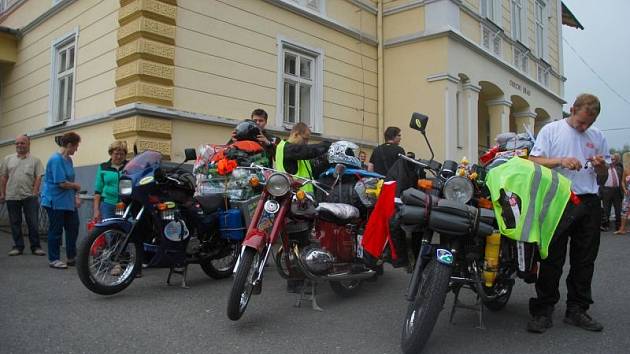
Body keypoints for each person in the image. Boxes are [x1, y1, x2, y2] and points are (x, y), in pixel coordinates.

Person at [527, 93, 607, 333]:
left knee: (585, 260)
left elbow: (601, 178)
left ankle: (577, 310)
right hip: (559, 199)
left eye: (589, 124)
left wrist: (601, 167)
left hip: (589, 201)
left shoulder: (598, 136)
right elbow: (533, 161)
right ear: (572, 109)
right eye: (581, 121)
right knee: (551, 259)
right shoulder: (551, 130)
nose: (584, 127)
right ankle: (543, 310)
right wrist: (560, 160)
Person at [275, 122, 330, 293]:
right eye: (305, 139)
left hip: (300, 203)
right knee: (298, 241)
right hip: (294, 203)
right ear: (296, 134)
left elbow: (311, 167)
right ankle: (297, 282)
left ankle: (300, 278)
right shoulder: (288, 148)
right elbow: (308, 151)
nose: (306, 143)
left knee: (299, 241)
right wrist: (328, 145)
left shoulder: (295, 153)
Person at [40, 132, 82, 269]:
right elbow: (61, 183)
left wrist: (76, 196)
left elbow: (70, 180)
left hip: (67, 201)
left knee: (73, 227)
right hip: (55, 201)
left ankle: (71, 257)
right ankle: (54, 259)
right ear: (69, 145)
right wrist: (75, 186)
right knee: (56, 230)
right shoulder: (56, 159)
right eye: (76, 146)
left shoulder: (68, 160)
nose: (77, 149)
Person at [0, 135, 46, 256]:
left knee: (33, 222)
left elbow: (38, 177)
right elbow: (4, 177)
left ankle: (35, 247)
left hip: (29, 196)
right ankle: (18, 246)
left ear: (28, 144)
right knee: (15, 222)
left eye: (22, 143)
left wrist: (35, 192)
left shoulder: (35, 160)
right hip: (12, 195)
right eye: (17, 143)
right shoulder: (8, 159)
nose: (19, 145)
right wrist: (2, 193)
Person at [93, 141, 128, 221]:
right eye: (116, 154)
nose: (119, 157)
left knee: (121, 229)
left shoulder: (129, 166)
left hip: (122, 204)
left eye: (122, 154)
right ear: (111, 153)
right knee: (108, 228)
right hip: (107, 203)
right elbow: (98, 191)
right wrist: (96, 210)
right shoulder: (103, 167)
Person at [600, 153, 623, 231]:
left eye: (613, 159)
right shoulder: (604, 168)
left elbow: (622, 179)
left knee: (618, 209)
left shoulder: (619, 167)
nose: (612, 161)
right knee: (606, 209)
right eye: (611, 159)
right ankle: (606, 225)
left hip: (616, 190)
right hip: (606, 190)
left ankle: (618, 225)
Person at [615, 165, 630, 235]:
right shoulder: (626, 170)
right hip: (627, 195)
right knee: (624, 211)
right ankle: (622, 229)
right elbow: (622, 182)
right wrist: (624, 189)